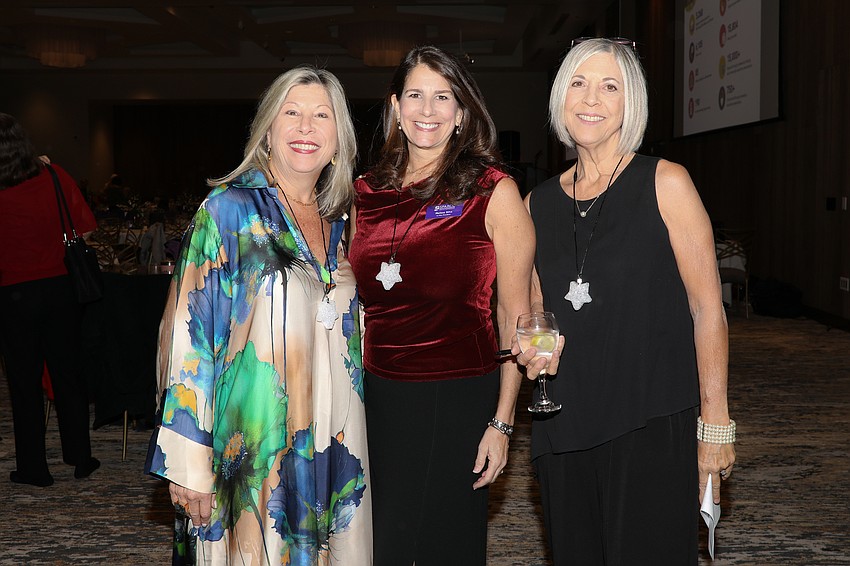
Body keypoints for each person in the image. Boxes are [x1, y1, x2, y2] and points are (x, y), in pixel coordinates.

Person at [515, 38, 736, 564]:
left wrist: (715, 423)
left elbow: (708, 309)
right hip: (564, 425)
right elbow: (533, 313)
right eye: (578, 83)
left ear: (629, 103)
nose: (591, 98)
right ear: (560, 97)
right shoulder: (535, 204)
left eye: (609, 86)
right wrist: (533, 352)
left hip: (650, 423)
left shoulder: (666, 183)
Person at [144, 66, 371, 564]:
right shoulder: (227, 211)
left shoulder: (345, 221)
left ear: (339, 139)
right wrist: (188, 464)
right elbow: (187, 338)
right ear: (268, 129)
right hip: (249, 451)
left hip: (333, 444)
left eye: (321, 116)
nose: (306, 127)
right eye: (291, 113)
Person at [349, 45, 535, 566]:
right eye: (415, 95)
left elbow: (514, 319)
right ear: (394, 107)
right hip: (376, 396)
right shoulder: (365, 193)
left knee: (445, 543)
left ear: (461, 113)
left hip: (457, 394)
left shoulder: (493, 192)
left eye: (442, 97)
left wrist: (501, 424)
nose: (427, 110)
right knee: (383, 541)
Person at [0, 113, 100, 486]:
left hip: (12, 294)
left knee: (23, 383)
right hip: (60, 288)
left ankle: (33, 468)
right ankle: (80, 457)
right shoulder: (54, 175)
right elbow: (86, 227)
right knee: (67, 375)